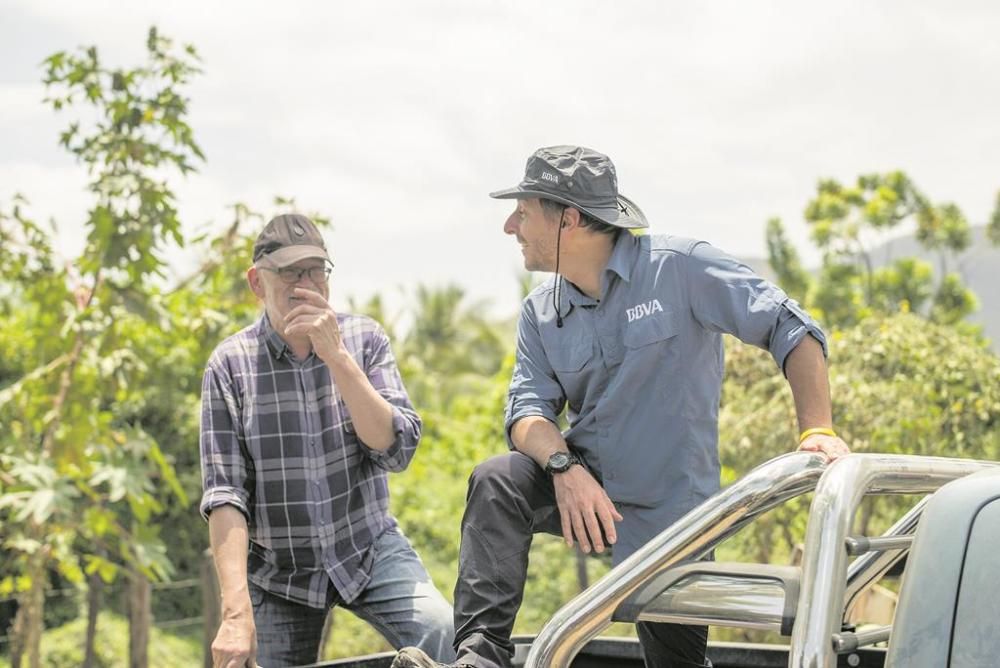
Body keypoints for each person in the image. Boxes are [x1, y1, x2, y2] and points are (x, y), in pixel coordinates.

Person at [392, 146, 850, 668]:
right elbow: (526, 413)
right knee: (499, 480)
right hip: (587, 497)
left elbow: (792, 328)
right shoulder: (541, 312)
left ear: (568, 219)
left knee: (675, 663)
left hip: (675, 517)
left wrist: (818, 429)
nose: (509, 226)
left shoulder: (681, 268)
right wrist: (563, 467)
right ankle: (478, 660)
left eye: (523, 212)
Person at [200, 214, 455, 668]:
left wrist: (335, 357)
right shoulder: (229, 366)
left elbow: (395, 450)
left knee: (442, 631)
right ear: (258, 283)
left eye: (316, 270)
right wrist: (236, 614)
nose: (306, 284)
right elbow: (226, 497)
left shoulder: (363, 339)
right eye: (291, 273)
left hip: (367, 548)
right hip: (279, 573)